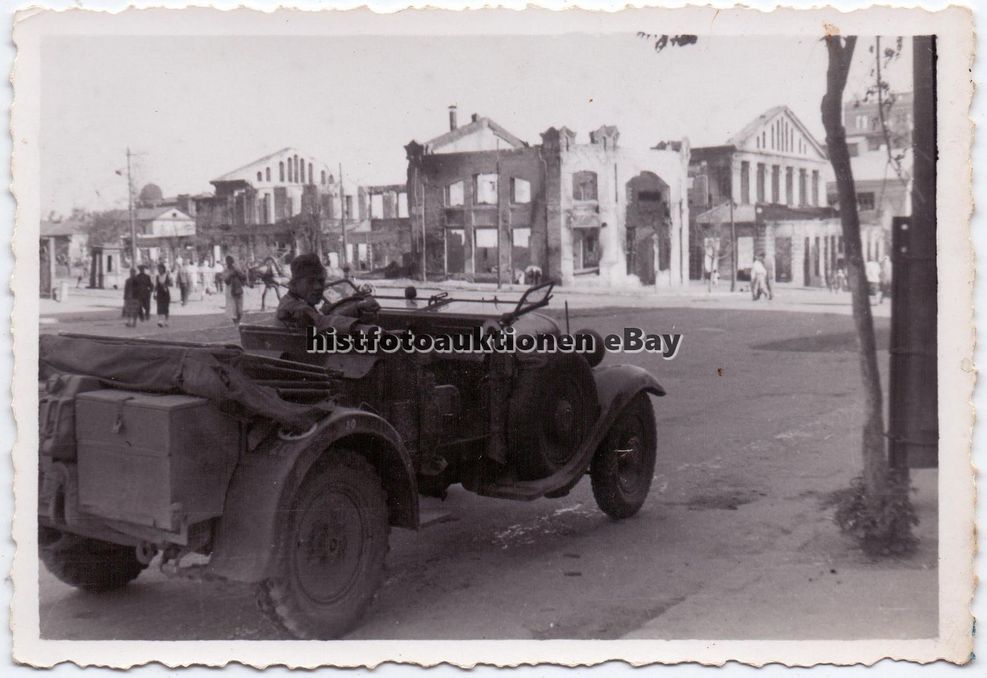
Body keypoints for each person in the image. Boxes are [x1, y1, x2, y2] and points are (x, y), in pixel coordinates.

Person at [276, 253, 379, 333]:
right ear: (295, 284)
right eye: (310, 281)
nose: (318, 287)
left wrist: (357, 307)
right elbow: (321, 322)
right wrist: (364, 329)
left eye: (321, 281)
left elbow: (324, 314)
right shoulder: (296, 308)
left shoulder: (300, 300)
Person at [222, 255, 248, 326]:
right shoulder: (225, 270)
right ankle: (236, 323)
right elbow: (226, 281)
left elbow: (244, 278)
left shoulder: (237, 269)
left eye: (232, 262)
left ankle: (238, 321)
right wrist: (231, 274)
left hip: (239, 291)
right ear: (227, 263)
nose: (231, 264)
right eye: (229, 262)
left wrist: (239, 272)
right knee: (233, 310)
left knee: (240, 311)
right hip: (230, 292)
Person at [154, 263, 173, 327]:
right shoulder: (157, 276)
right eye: (158, 269)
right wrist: (154, 293)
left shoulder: (167, 276)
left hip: (165, 293)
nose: (159, 270)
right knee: (159, 307)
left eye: (160, 269)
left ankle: (166, 321)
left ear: (163, 269)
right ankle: (160, 321)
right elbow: (156, 285)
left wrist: (165, 285)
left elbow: (171, 284)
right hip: (159, 293)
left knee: (165, 307)